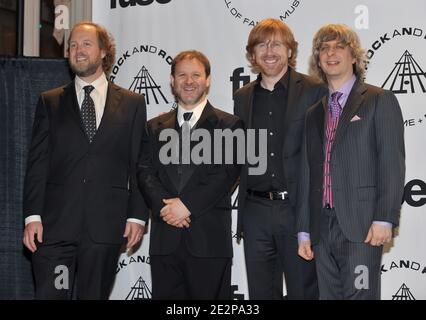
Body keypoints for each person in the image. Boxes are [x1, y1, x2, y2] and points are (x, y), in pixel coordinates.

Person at [22, 22, 148, 299]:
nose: (78, 50)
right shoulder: (50, 101)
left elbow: (139, 164)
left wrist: (137, 216)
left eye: (86, 44)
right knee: (55, 294)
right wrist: (32, 216)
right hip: (55, 233)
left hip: (104, 228)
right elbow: (37, 164)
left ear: (104, 51)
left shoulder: (132, 103)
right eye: (73, 45)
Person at [297, 24, 405, 299]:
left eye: (339, 47)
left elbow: (391, 163)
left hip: (362, 227)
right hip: (322, 228)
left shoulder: (379, 100)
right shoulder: (314, 113)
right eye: (324, 48)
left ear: (354, 56)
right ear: (318, 58)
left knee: (361, 295)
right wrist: (304, 231)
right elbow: (308, 173)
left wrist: (384, 218)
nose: (330, 53)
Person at [138, 50, 242, 299]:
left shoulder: (229, 125)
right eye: (182, 74)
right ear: (172, 80)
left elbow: (225, 174)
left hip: (209, 242)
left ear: (207, 80)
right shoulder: (153, 127)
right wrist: (167, 208)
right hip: (165, 241)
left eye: (196, 74)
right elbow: (144, 171)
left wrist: (187, 206)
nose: (189, 81)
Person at [234, 18, 325, 300]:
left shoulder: (314, 90)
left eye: (277, 44)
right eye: (261, 44)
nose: (269, 51)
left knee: (303, 292)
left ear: (290, 51)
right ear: (252, 54)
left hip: (297, 211)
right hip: (255, 211)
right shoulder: (242, 96)